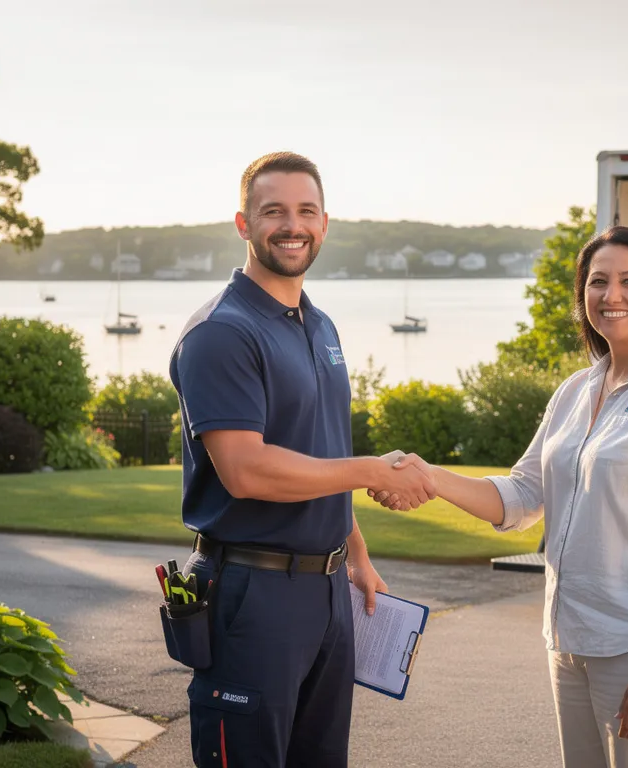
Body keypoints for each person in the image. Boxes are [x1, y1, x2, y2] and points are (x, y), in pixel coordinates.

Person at [376, 225, 628, 767]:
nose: (611, 296)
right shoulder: (576, 390)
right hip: (573, 641)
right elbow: (521, 496)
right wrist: (429, 477)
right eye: (598, 282)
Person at [169, 151, 436, 768]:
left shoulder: (320, 326)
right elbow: (246, 469)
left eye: (306, 211)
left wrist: (358, 556)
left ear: (324, 222)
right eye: (274, 212)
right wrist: (372, 470)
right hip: (251, 595)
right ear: (243, 223)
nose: (293, 226)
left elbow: (321, 453)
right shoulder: (221, 333)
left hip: (327, 593)